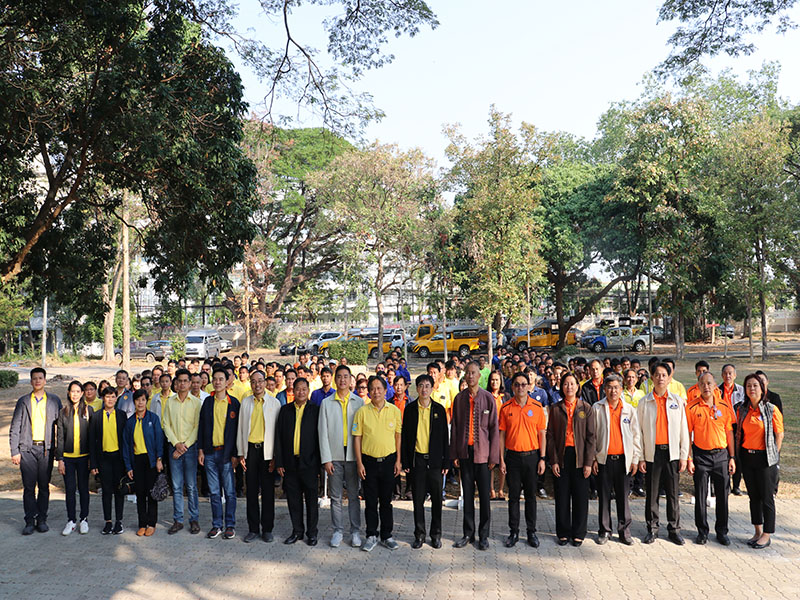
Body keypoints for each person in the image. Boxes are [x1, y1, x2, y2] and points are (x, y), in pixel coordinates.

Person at [637, 362, 690, 545]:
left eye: (664, 375)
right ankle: (652, 529)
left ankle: (674, 530)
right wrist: (641, 457)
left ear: (669, 378)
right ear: (652, 378)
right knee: (652, 494)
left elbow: (684, 430)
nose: (660, 378)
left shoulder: (677, 401)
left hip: (672, 454)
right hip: (652, 453)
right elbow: (639, 432)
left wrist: (684, 456)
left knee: (673, 494)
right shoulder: (644, 402)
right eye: (657, 375)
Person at [450, 361, 500, 551]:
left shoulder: (488, 399)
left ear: (479, 376)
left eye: (474, 373)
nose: (470, 376)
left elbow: (494, 429)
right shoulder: (459, 399)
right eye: (468, 373)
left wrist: (494, 456)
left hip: (484, 455)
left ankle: (484, 535)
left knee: (485, 497)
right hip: (465, 453)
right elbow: (455, 427)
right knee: (468, 495)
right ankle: (468, 533)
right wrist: (454, 453)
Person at [9, 367, 62, 535]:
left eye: (40, 378)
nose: (37, 381)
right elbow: (15, 427)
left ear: (45, 380)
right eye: (34, 378)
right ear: (31, 381)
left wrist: (60, 452)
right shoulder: (23, 401)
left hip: (46, 450)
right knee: (29, 487)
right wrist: (14, 451)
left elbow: (61, 427)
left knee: (44, 486)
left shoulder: (54, 401)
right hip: (27, 449)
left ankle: (42, 519)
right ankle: (30, 521)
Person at [353, 376, 402, 552]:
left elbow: (398, 437)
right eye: (372, 389)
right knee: (371, 501)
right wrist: (359, 463)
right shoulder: (362, 412)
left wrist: (398, 460)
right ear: (369, 391)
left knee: (386, 501)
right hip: (369, 462)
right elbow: (357, 439)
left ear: (385, 390)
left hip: (388, 461)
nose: (376, 392)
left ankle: (387, 535)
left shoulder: (394, 411)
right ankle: (371, 535)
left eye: (379, 388)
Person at [498, 372, 547, 548]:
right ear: (512, 387)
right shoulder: (506, 408)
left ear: (528, 386)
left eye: (523, 384)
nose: (520, 387)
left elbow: (542, 434)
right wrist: (501, 459)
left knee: (530, 497)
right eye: (517, 384)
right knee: (513, 497)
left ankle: (531, 532)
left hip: (532, 457)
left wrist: (542, 458)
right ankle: (514, 532)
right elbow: (501, 435)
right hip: (512, 458)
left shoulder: (537, 407)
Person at [686, 372, 735, 546]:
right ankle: (702, 531)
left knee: (722, 496)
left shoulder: (724, 406)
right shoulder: (691, 407)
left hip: (721, 455)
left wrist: (732, 457)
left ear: (715, 385)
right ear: (698, 386)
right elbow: (687, 435)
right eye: (702, 384)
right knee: (700, 495)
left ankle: (722, 531)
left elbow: (729, 433)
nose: (706, 387)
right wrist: (689, 458)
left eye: (709, 383)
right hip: (701, 456)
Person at [546, 372, 596, 546]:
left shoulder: (586, 408)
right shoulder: (555, 408)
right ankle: (563, 532)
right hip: (562, 456)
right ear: (561, 387)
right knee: (562, 496)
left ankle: (579, 533)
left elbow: (591, 437)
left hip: (580, 457)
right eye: (566, 384)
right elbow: (550, 436)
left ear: (577, 386)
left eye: (572, 384)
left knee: (580, 496)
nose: (569, 387)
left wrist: (588, 462)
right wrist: (553, 460)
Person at [401, 374, 449, 549]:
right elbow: (405, 437)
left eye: (427, 386)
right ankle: (419, 535)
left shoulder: (439, 410)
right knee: (418, 500)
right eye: (421, 386)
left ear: (432, 388)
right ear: (417, 388)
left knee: (436, 500)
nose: (424, 389)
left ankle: (436, 535)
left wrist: (446, 462)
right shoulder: (410, 410)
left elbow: (445, 438)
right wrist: (406, 461)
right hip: (417, 461)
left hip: (435, 462)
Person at [319, 365, 364, 548]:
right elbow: (322, 432)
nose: (342, 380)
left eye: (346, 376)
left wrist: (361, 460)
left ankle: (355, 532)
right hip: (335, 456)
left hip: (353, 456)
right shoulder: (326, 403)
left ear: (351, 379)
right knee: (336, 497)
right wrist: (326, 459)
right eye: (339, 376)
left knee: (353, 496)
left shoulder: (358, 402)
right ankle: (337, 531)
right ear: (335, 379)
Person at [592, 374, 641, 546]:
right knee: (604, 497)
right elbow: (592, 436)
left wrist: (635, 459)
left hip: (623, 460)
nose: (613, 391)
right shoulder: (597, 408)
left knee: (623, 497)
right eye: (609, 387)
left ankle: (624, 531)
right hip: (604, 460)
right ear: (604, 389)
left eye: (616, 387)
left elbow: (636, 436)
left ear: (621, 389)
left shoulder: (629, 410)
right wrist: (593, 458)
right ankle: (604, 530)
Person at [736, 373, 784, 549]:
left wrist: (774, 455)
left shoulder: (771, 409)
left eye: (755, 385)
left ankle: (767, 534)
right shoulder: (742, 410)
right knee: (753, 496)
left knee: (767, 497)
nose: (752, 389)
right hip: (747, 457)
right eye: (748, 386)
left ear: (762, 389)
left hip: (765, 459)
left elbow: (779, 434)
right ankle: (757, 531)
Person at [275, 377, 321, 546]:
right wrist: (279, 462)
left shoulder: (315, 410)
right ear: (293, 391)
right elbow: (278, 437)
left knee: (311, 500)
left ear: (308, 391)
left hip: (310, 463)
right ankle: (297, 531)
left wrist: (318, 463)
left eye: (304, 389)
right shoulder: (285, 411)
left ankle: (312, 533)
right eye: (298, 389)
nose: (301, 392)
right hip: (290, 463)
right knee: (293, 500)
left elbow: (319, 438)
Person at [237, 369, 281, 543]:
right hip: (250, 451)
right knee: (251, 491)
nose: (257, 385)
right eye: (254, 381)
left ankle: (267, 529)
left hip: (267, 452)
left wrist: (275, 456)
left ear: (265, 382)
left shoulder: (274, 403)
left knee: (268, 492)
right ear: (251, 384)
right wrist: (241, 453)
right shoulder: (245, 403)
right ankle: (253, 529)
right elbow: (240, 429)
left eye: (260, 381)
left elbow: (277, 433)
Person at [199, 368, 241, 539]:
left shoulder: (234, 403)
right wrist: (201, 450)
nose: (217, 382)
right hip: (210, 453)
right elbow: (201, 427)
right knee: (214, 493)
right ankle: (217, 524)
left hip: (227, 454)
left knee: (230, 492)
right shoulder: (208, 402)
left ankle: (230, 525)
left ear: (227, 381)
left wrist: (236, 454)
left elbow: (238, 431)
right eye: (215, 379)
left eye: (221, 379)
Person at [161, 368, 202, 535]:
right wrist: (176, 444)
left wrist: (185, 446)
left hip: (190, 449)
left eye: (186, 381)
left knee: (191, 486)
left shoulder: (196, 403)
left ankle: (194, 519)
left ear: (190, 383)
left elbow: (197, 426)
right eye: (180, 381)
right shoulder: (170, 402)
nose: (183, 384)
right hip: (174, 448)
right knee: (177, 486)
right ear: (176, 383)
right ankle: (178, 520)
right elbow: (166, 424)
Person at [122, 389, 164, 536]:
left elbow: (159, 440)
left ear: (146, 401)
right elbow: (126, 446)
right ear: (134, 402)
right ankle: (142, 523)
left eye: (143, 400)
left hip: (151, 460)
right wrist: (128, 467)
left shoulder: (153, 418)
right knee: (140, 493)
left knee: (151, 493)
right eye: (137, 400)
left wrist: (159, 459)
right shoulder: (130, 422)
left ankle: (151, 523)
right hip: (137, 460)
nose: (140, 403)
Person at [56, 381, 93, 535]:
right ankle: (71, 521)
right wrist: (60, 459)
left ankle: (84, 519)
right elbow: (60, 438)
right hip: (68, 459)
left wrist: (92, 459)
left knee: (84, 489)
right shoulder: (63, 412)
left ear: (82, 393)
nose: (75, 394)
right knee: (70, 490)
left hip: (84, 458)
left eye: (78, 391)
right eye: (73, 391)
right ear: (68, 393)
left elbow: (92, 437)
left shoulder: (88, 410)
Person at [89, 386, 127, 534]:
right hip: (103, 459)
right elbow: (92, 441)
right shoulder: (96, 416)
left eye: (113, 396)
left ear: (116, 399)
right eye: (107, 396)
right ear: (103, 398)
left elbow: (126, 440)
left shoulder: (122, 415)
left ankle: (119, 521)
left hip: (118, 459)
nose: (110, 399)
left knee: (119, 490)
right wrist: (93, 463)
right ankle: (108, 521)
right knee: (106, 491)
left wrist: (127, 463)